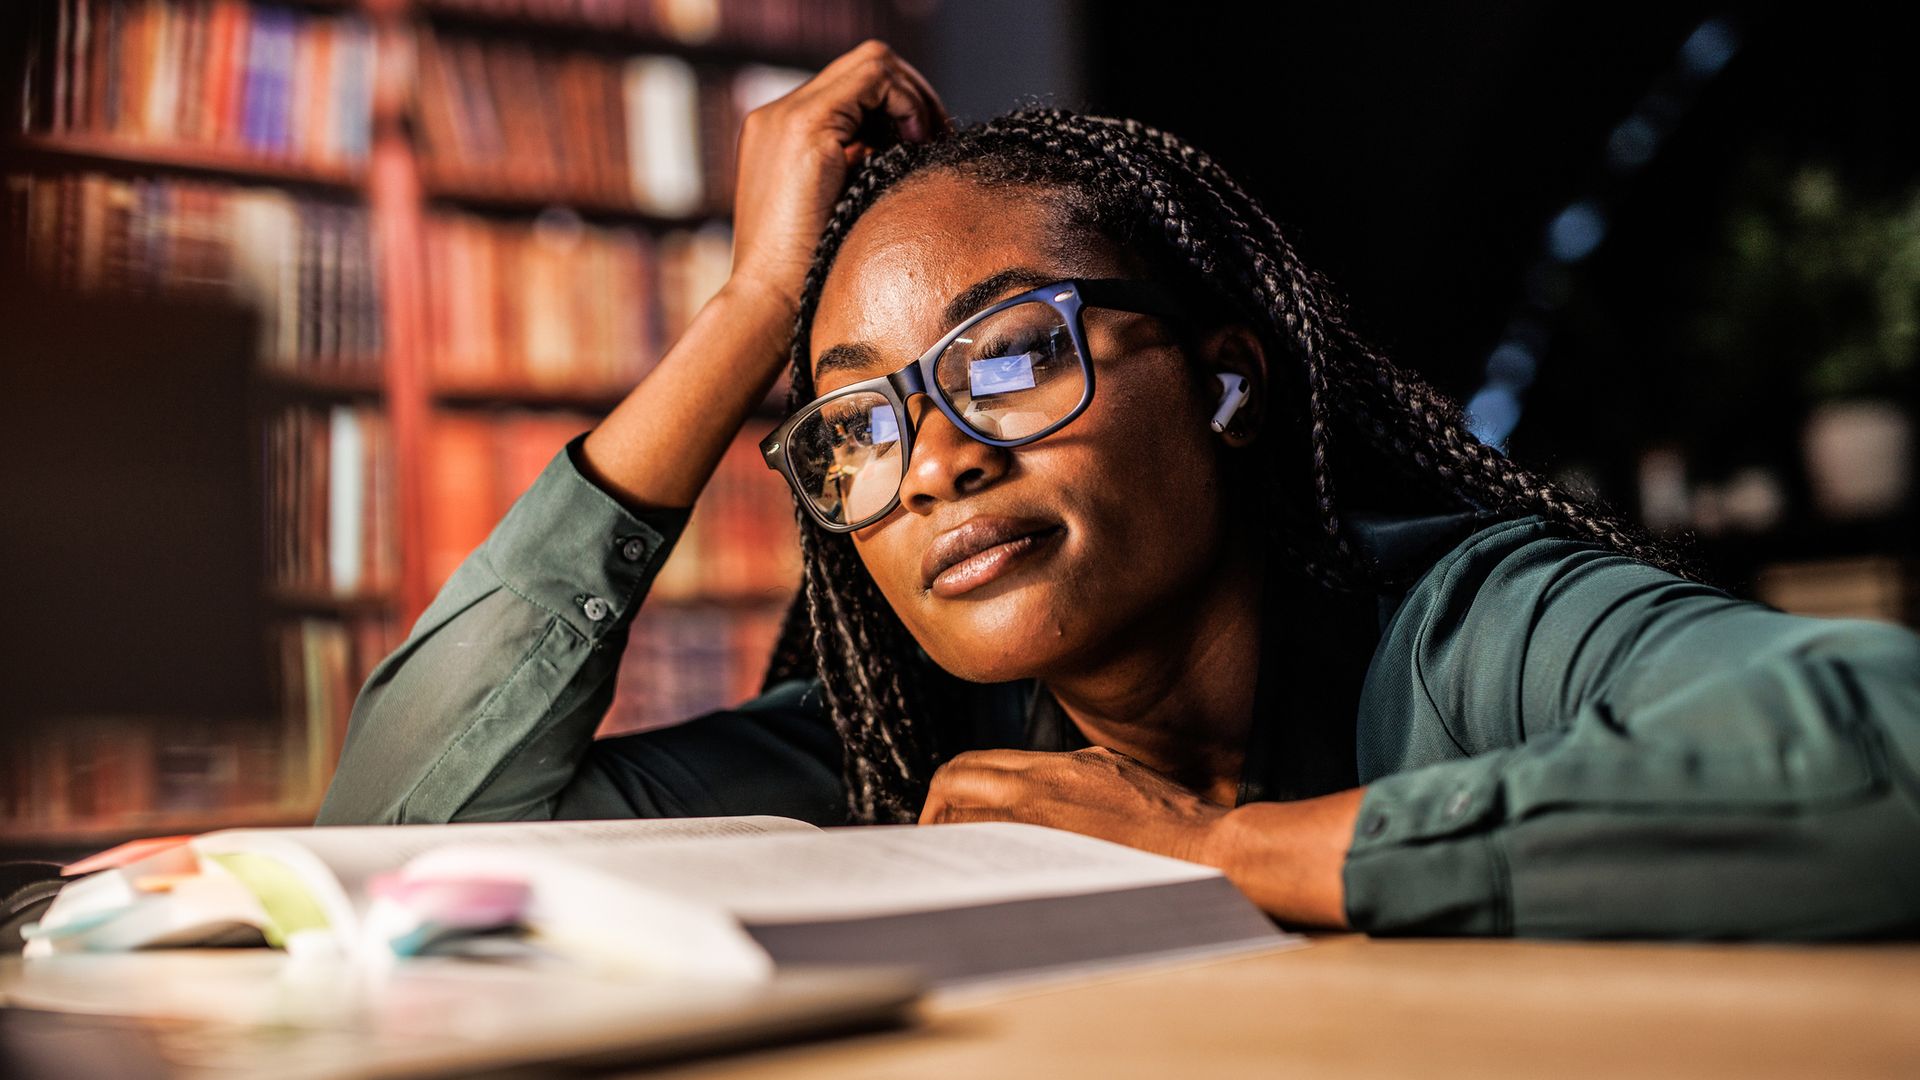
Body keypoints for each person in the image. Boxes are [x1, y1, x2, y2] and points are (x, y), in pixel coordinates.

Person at [318, 40, 1920, 938]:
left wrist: (1246, 849)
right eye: (854, 430)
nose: (935, 456)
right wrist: (745, 321)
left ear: (1226, 379)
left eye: (1009, 359)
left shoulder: (1468, 633)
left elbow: (1890, 749)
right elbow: (388, 834)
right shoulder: (899, 760)